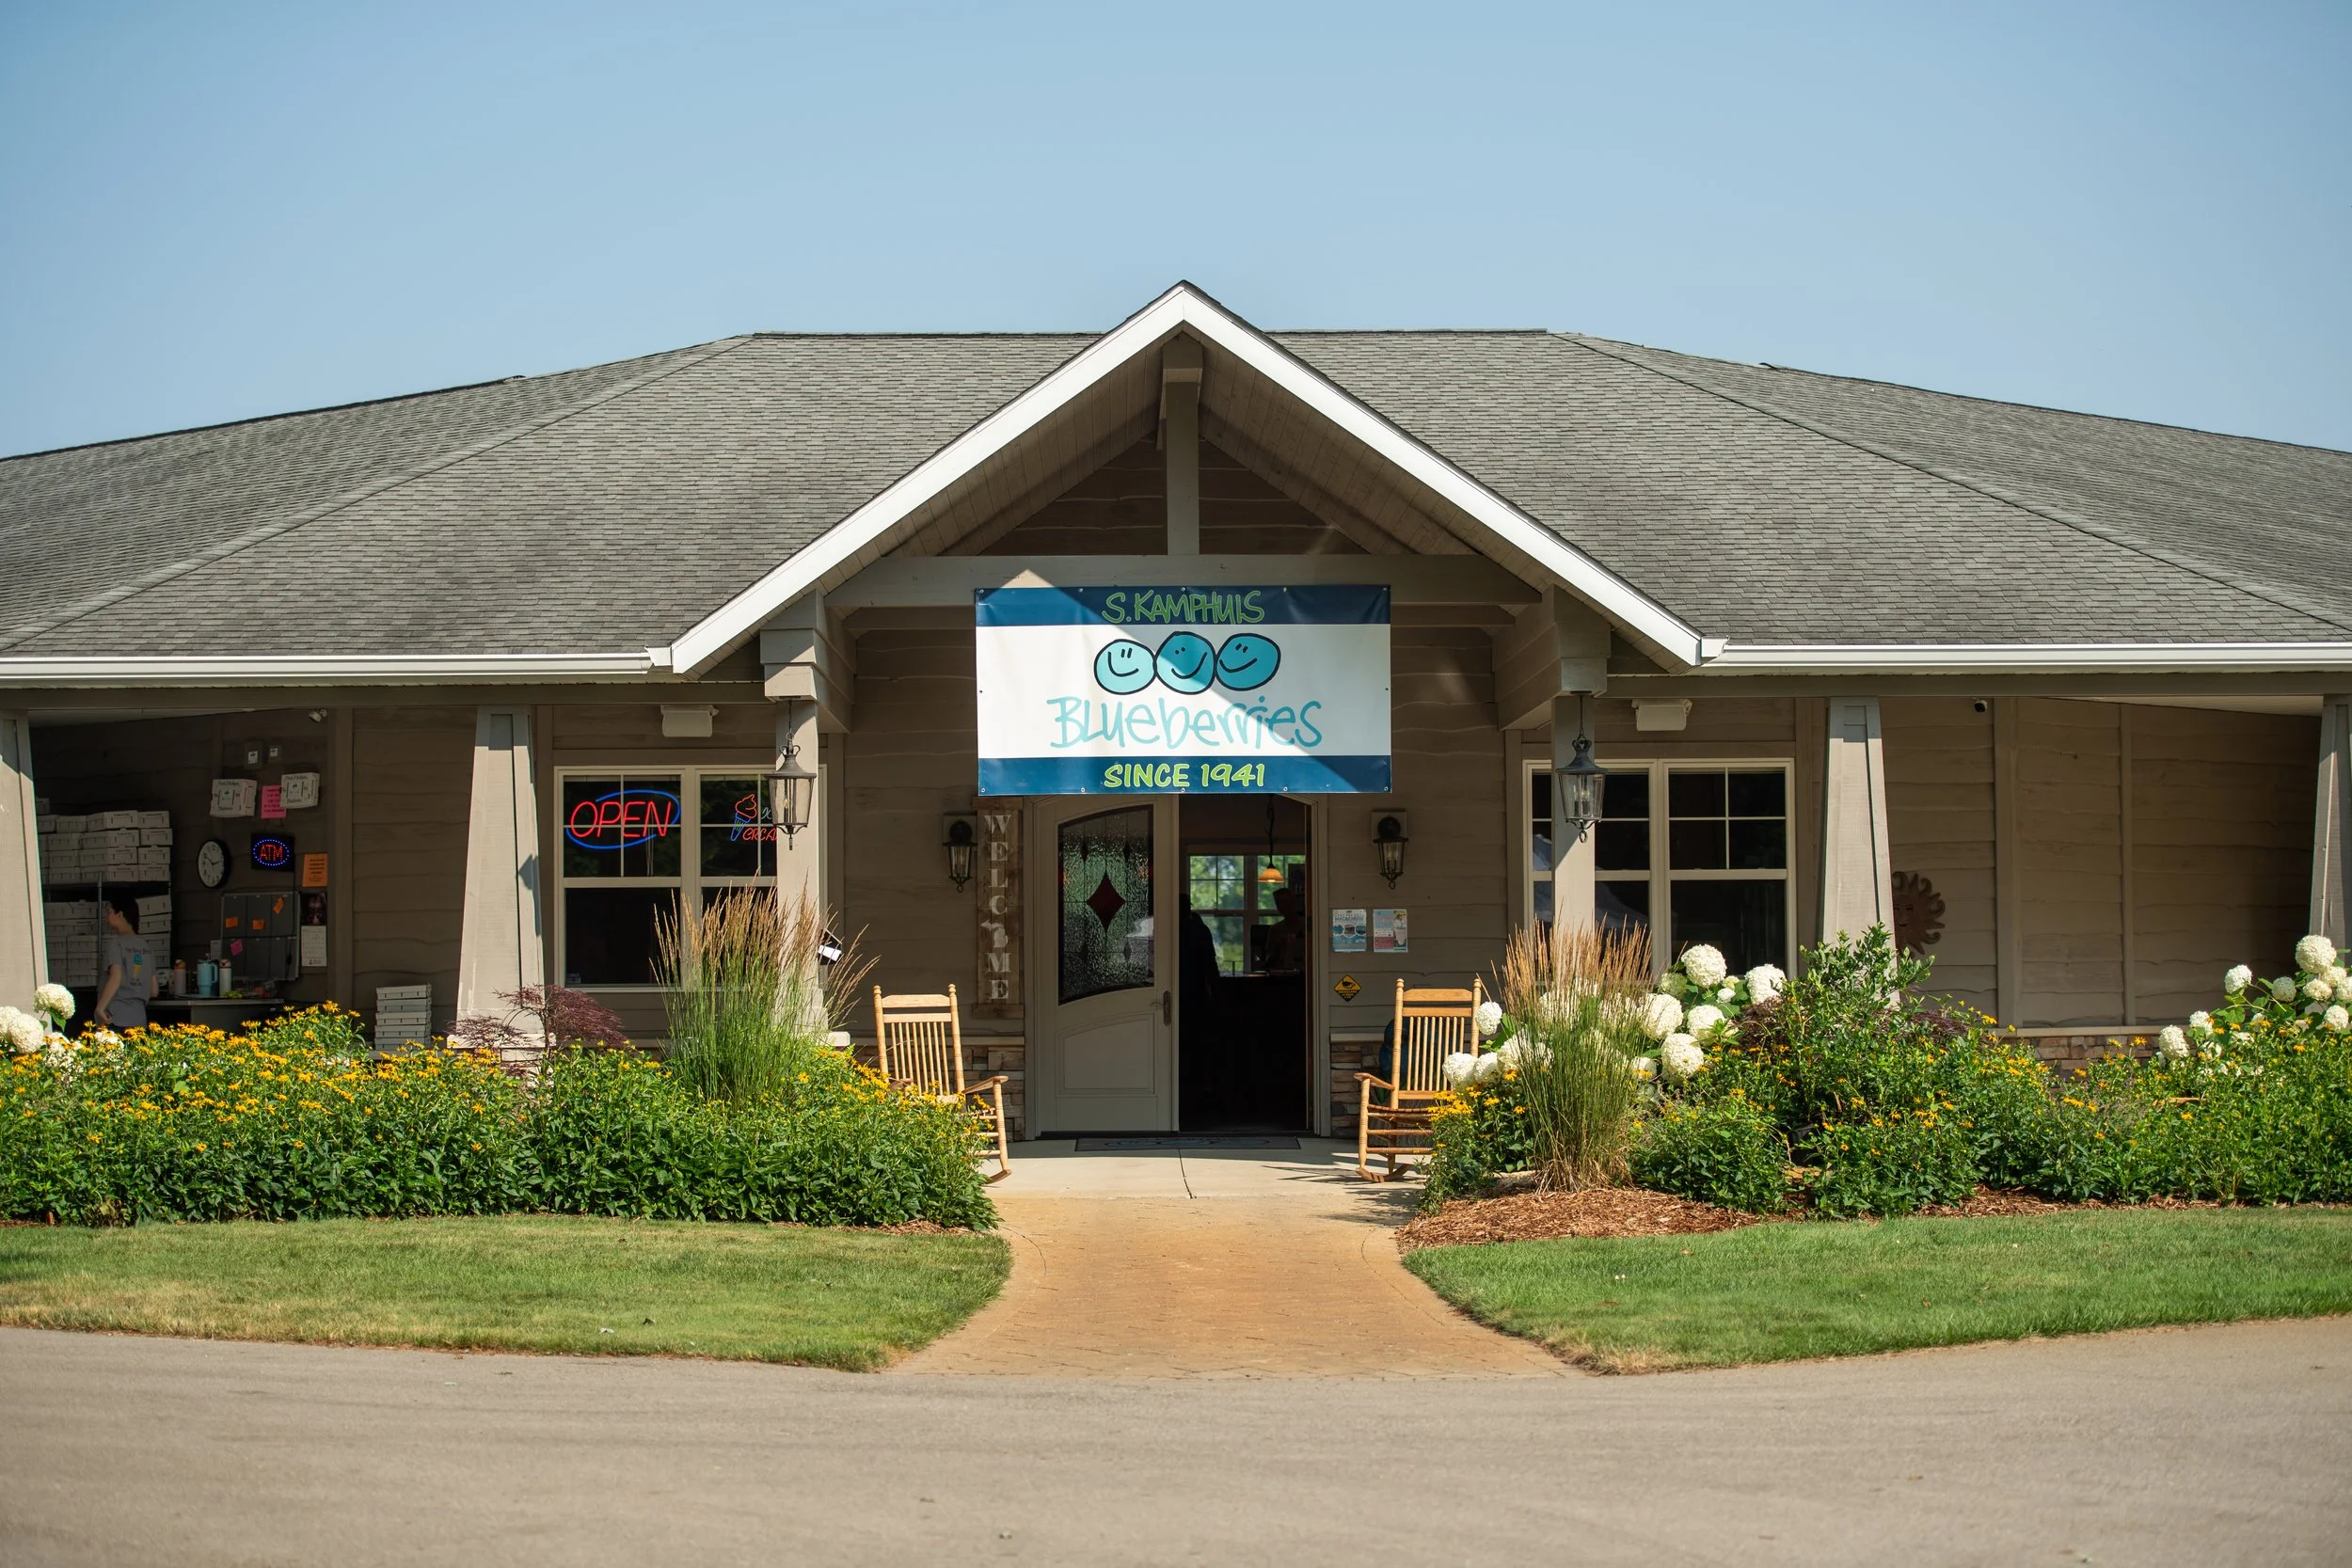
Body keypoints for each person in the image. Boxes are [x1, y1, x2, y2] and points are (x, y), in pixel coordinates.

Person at [95, 889, 156, 1030]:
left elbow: (116, 977)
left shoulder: (116, 944)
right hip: (139, 1020)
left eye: (109, 912)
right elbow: (154, 990)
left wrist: (100, 1008)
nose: (107, 917)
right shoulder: (146, 946)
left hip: (115, 1017)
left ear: (120, 914)